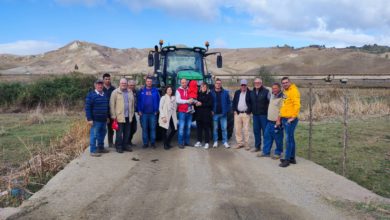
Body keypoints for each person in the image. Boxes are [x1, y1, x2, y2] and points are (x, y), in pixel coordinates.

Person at [277, 77, 301, 167]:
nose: (285, 84)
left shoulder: (294, 91)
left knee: (288, 140)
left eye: (286, 82)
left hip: (290, 119)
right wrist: (280, 116)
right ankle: (292, 158)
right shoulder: (285, 92)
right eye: (283, 83)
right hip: (284, 117)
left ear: (290, 82)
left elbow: (297, 105)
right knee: (291, 139)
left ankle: (287, 160)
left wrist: (293, 117)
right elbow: (284, 105)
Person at [257, 82, 284, 159]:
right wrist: (260, 84)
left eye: (275, 88)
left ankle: (278, 153)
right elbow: (267, 88)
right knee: (267, 137)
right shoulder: (272, 95)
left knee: (278, 139)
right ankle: (266, 152)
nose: (274, 89)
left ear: (279, 88)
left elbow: (281, 110)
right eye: (273, 88)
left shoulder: (282, 98)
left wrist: (278, 120)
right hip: (269, 121)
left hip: (276, 122)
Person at [85, 79, 110, 157]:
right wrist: (89, 119)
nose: (100, 86)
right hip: (95, 120)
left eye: (101, 84)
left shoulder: (104, 94)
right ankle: (93, 151)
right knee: (94, 135)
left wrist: (107, 117)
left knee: (102, 134)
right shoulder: (91, 95)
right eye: (98, 84)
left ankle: (100, 147)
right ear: (95, 85)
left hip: (103, 119)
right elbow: (87, 108)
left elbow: (107, 107)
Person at [110, 78, 135, 153]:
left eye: (125, 83)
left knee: (127, 132)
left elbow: (132, 104)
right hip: (119, 117)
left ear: (127, 84)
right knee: (119, 133)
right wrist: (113, 116)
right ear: (119, 84)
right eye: (122, 83)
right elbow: (112, 104)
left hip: (128, 116)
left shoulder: (130, 92)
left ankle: (125, 145)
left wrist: (132, 114)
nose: (124, 85)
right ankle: (119, 146)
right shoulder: (115, 92)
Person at [138, 77, 160, 148]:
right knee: (144, 128)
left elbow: (158, 101)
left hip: (153, 113)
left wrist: (157, 110)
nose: (149, 82)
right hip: (144, 113)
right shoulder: (141, 90)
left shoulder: (155, 91)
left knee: (153, 128)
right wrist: (139, 110)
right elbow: (139, 101)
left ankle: (153, 143)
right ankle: (145, 143)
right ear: (146, 82)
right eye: (148, 81)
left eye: (150, 81)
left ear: (152, 82)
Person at [249, 78, 270, 152]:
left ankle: (266, 149)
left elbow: (271, 103)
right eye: (255, 82)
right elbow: (250, 103)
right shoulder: (252, 92)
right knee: (256, 131)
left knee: (265, 132)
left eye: (258, 82)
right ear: (254, 83)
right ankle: (257, 147)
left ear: (261, 83)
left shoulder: (266, 92)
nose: (257, 84)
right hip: (255, 115)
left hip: (264, 115)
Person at [211, 79, 231, 148]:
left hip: (223, 114)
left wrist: (226, 111)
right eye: (217, 83)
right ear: (215, 84)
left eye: (219, 83)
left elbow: (229, 103)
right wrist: (211, 110)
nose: (218, 84)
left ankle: (225, 142)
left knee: (224, 129)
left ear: (221, 84)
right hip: (215, 114)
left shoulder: (225, 92)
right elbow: (209, 102)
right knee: (215, 129)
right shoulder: (211, 92)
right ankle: (215, 141)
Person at [232, 79, 251, 149]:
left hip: (246, 114)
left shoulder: (250, 92)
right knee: (238, 129)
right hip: (237, 113)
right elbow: (234, 102)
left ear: (246, 85)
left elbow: (252, 103)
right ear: (240, 85)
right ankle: (240, 143)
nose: (243, 86)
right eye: (242, 85)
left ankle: (247, 144)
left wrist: (249, 111)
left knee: (246, 130)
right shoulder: (237, 92)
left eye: (244, 85)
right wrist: (234, 110)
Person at [194, 82, 213, 149]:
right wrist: (195, 104)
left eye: (205, 87)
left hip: (206, 115)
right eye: (202, 87)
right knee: (199, 129)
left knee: (206, 129)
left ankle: (207, 143)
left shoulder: (209, 94)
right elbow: (195, 102)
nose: (203, 88)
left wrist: (201, 104)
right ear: (200, 87)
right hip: (199, 114)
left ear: (206, 88)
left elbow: (210, 104)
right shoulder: (198, 94)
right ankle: (199, 141)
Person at [176, 78, 193, 148]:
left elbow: (193, 97)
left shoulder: (190, 89)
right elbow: (178, 100)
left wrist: (194, 101)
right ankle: (180, 143)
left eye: (185, 82)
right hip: (182, 112)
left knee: (188, 128)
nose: (184, 84)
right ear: (180, 83)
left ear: (187, 83)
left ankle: (187, 142)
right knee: (181, 128)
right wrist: (187, 101)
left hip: (189, 111)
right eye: (182, 83)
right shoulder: (178, 90)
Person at [102, 73, 116, 148]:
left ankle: (110, 143)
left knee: (111, 129)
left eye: (108, 79)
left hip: (111, 111)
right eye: (106, 79)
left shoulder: (113, 89)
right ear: (103, 80)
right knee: (102, 129)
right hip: (103, 111)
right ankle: (101, 144)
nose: (107, 80)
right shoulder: (101, 88)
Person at [127, 80, 138, 147]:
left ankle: (129, 141)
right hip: (127, 113)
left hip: (133, 113)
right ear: (128, 85)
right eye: (131, 85)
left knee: (134, 128)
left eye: (133, 85)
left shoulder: (136, 92)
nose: (132, 86)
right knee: (128, 129)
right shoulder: (125, 92)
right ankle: (126, 143)